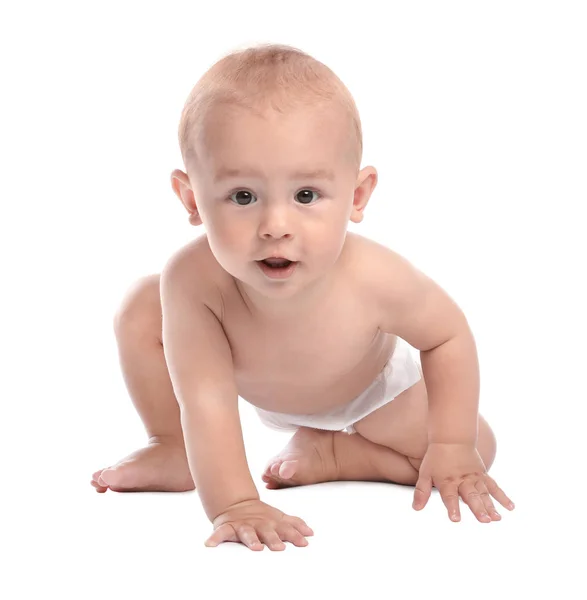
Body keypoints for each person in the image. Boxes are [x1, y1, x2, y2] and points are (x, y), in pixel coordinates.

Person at [91, 43, 515, 551]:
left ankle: (343, 455)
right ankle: (172, 447)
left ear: (357, 197)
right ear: (192, 200)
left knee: (476, 445)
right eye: (243, 197)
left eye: (306, 196)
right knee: (142, 303)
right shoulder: (194, 279)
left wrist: (451, 445)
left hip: (369, 395)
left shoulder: (374, 276)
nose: (275, 226)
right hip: (258, 385)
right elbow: (205, 396)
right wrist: (235, 502)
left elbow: (447, 335)